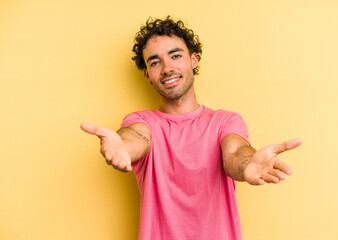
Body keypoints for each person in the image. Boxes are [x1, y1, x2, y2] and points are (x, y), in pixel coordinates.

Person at [80, 16, 302, 240]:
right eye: (155, 62)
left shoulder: (224, 121)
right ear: (147, 74)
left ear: (193, 60)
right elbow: (135, 138)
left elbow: (235, 153)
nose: (167, 68)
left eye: (176, 56)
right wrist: (122, 148)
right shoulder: (143, 121)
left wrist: (247, 164)